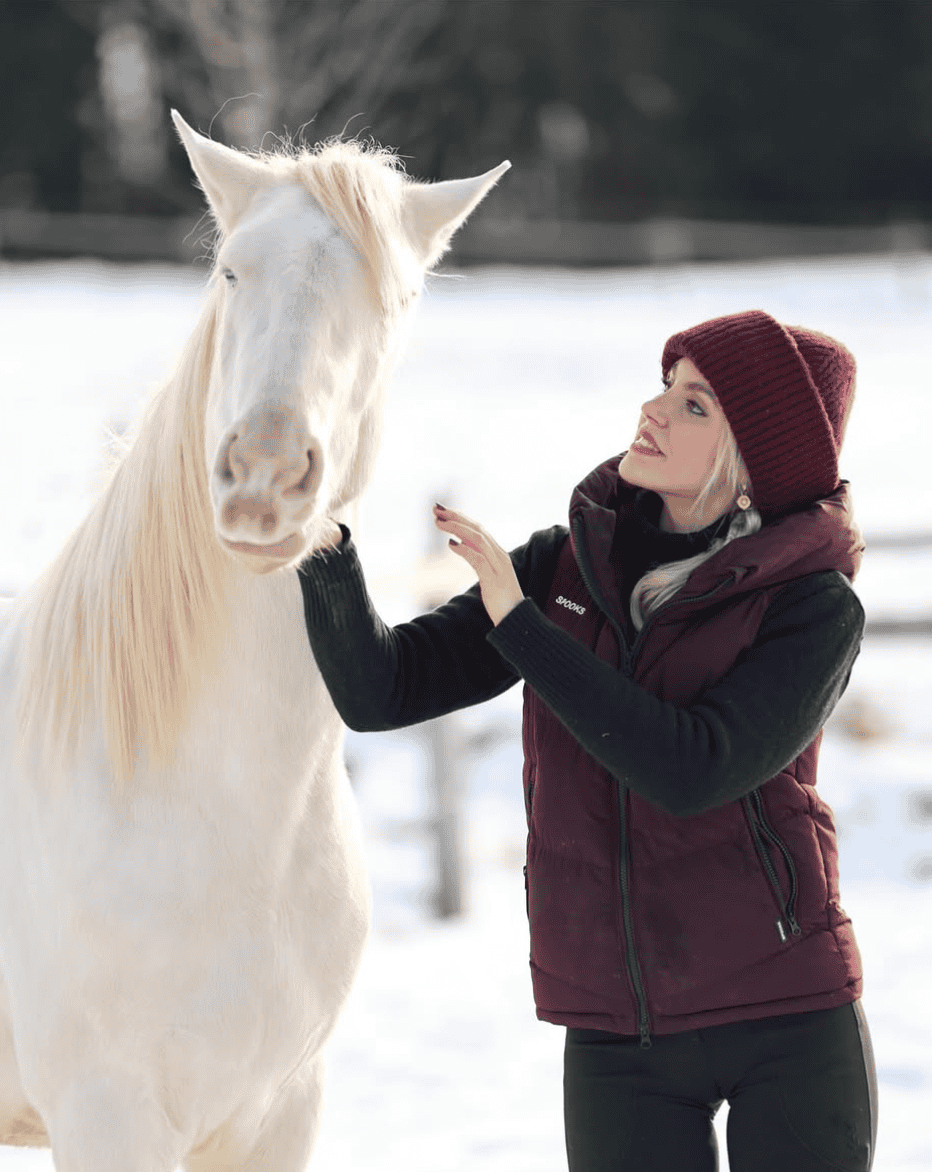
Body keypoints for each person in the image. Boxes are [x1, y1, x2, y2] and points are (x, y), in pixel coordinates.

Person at [297, 309, 877, 1172]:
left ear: (750, 457)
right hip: (618, 1033)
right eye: (665, 384)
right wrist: (323, 539)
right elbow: (382, 691)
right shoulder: (565, 567)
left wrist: (525, 632)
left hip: (783, 1017)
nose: (652, 409)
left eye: (694, 406)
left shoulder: (811, 607)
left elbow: (692, 767)